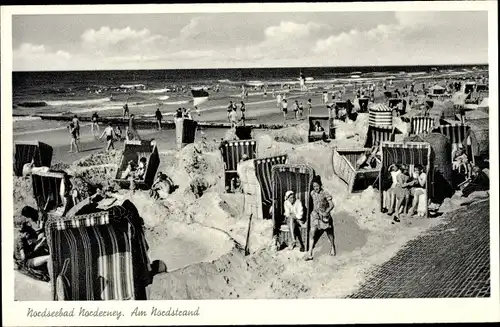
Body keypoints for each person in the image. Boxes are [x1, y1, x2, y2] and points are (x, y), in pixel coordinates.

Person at [305, 178, 335, 261]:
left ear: (320, 185)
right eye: (314, 186)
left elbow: (332, 205)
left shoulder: (325, 193)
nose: (315, 188)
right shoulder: (312, 193)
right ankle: (310, 253)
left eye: (317, 186)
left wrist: (327, 211)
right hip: (315, 215)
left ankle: (332, 246)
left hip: (324, 215)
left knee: (329, 233)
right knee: (312, 232)